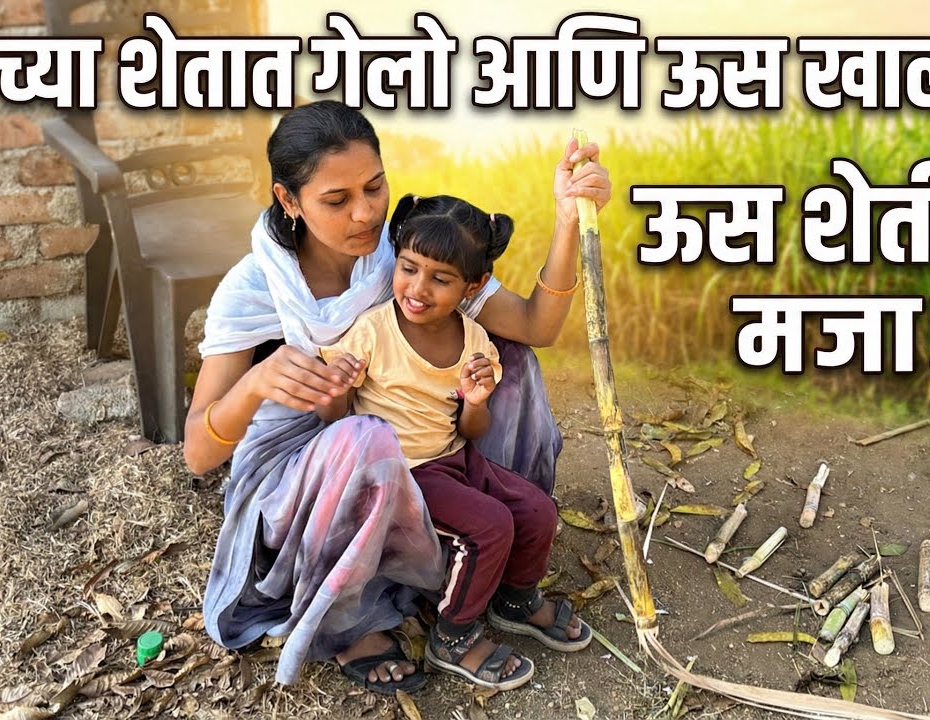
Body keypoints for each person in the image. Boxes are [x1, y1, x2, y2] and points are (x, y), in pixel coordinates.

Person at [183, 100, 610, 694]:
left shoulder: (406, 257)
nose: (364, 214)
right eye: (336, 201)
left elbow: (537, 325)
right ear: (289, 201)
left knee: (507, 359)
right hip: (310, 454)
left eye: (375, 187)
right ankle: (349, 618)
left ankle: (481, 557)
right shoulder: (254, 287)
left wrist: (568, 218)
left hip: (419, 436)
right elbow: (199, 453)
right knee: (365, 438)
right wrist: (257, 382)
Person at [316, 194, 593, 691]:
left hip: (454, 457)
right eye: (408, 268)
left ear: (474, 286)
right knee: (490, 527)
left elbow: (472, 432)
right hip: (403, 473)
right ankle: (455, 635)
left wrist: (477, 400)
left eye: (440, 279)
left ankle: (515, 599)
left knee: (536, 510)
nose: (417, 289)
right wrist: (335, 387)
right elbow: (334, 422)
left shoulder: (474, 341)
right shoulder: (373, 332)